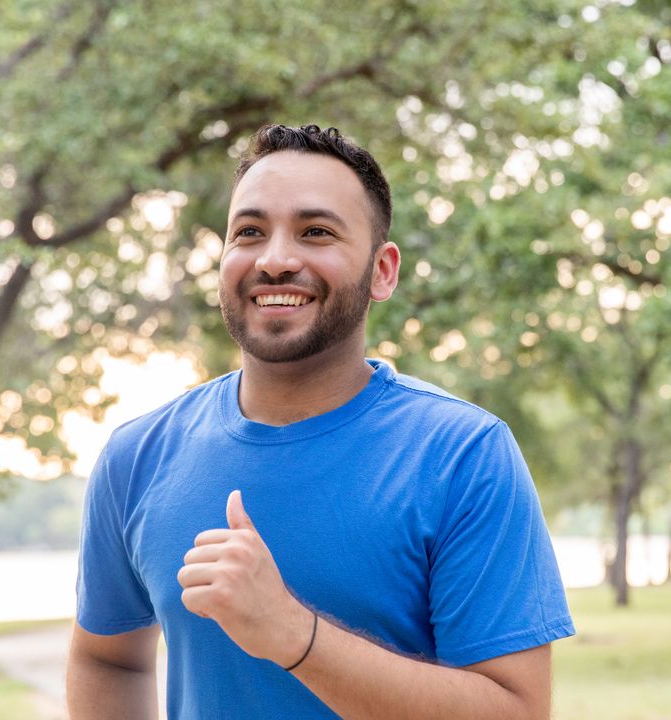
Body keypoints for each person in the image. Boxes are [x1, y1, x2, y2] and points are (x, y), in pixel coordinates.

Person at [67, 124, 575, 719]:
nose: (276, 259)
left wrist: (293, 635)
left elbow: (517, 711)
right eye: (249, 232)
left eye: (316, 232)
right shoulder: (138, 456)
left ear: (382, 271)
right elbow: (108, 658)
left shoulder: (463, 454)